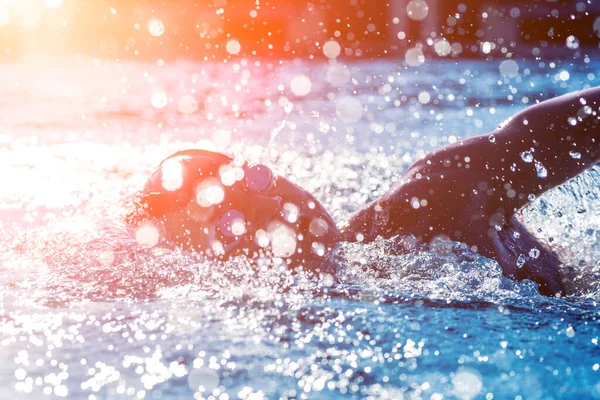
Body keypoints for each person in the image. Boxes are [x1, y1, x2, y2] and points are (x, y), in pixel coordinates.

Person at [127, 86, 600, 297]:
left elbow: (560, 128)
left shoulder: (428, 198)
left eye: (256, 178)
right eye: (231, 222)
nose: (272, 202)